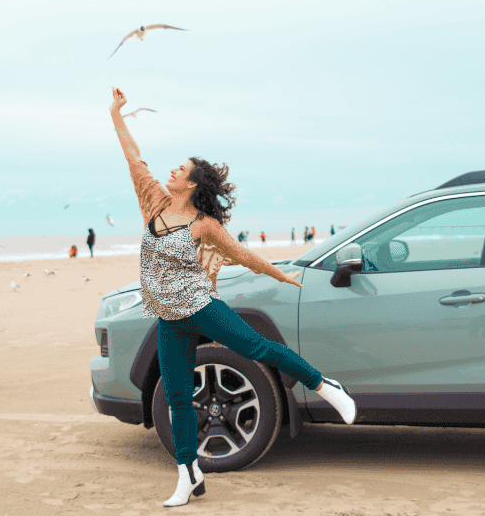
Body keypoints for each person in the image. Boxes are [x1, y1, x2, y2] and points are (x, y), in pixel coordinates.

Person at [109, 86, 356, 507]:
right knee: (176, 397)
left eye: (179, 169)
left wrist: (281, 275)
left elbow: (242, 255)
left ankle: (325, 384)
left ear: (191, 183)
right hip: (169, 320)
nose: (171, 172)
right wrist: (116, 113)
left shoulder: (204, 225)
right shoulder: (153, 201)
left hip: (203, 309)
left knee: (257, 346)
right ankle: (189, 473)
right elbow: (134, 156)